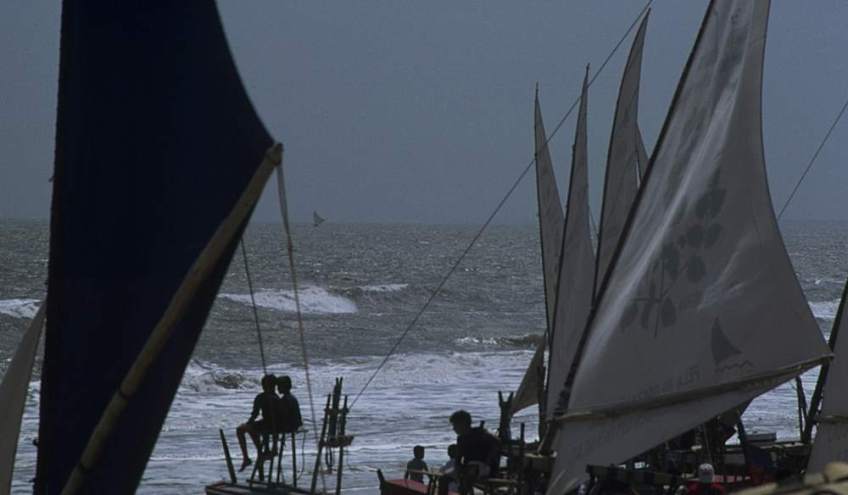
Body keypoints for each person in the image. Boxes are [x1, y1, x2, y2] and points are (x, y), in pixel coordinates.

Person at [446, 410, 500, 494]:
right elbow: (458, 458)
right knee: (443, 478)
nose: (454, 428)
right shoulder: (461, 439)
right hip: (468, 467)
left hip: (483, 466)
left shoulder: (480, 433)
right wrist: (457, 469)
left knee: (469, 474)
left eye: (455, 425)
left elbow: (496, 443)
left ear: (463, 424)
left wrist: (488, 461)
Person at [236, 374, 279, 472]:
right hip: (273, 426)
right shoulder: (277, 398)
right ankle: (262, 451)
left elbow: (254, 415)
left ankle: (250, 456)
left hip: (268, 425)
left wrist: (248, 424)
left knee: (240, 429)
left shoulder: (261, 397)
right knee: (251, 428)